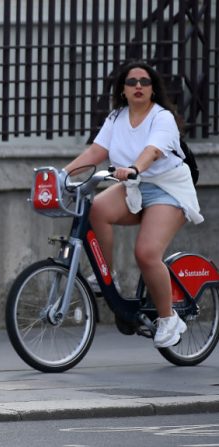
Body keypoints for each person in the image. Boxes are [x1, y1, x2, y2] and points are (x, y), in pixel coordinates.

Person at [63, 60, 202, 348]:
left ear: (152, 90)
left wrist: (135, 168)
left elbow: (152, 151)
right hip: (134, 186)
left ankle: (167, 319)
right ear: (123, 90)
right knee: (96, 209)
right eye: (131, 82)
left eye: (145, 81)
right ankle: (106, 274)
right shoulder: (116, 118)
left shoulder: (161, 118)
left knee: (146, 253)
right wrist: (63, 175)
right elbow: (97, 151)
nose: (138, 86)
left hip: (167, 189)